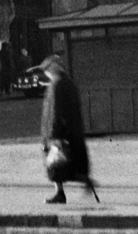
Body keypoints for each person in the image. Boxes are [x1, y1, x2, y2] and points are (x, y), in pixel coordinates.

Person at [39, 54, 99, 204]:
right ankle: (86, 181)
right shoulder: (70, 83)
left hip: (58, 133)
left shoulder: (56, 85)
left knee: (55, 165)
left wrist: (52, 135)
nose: (46, 74)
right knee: (73, 164)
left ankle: (59, 193)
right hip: (74, 132)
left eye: (47, 70)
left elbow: (54, 111)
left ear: (52, 69)